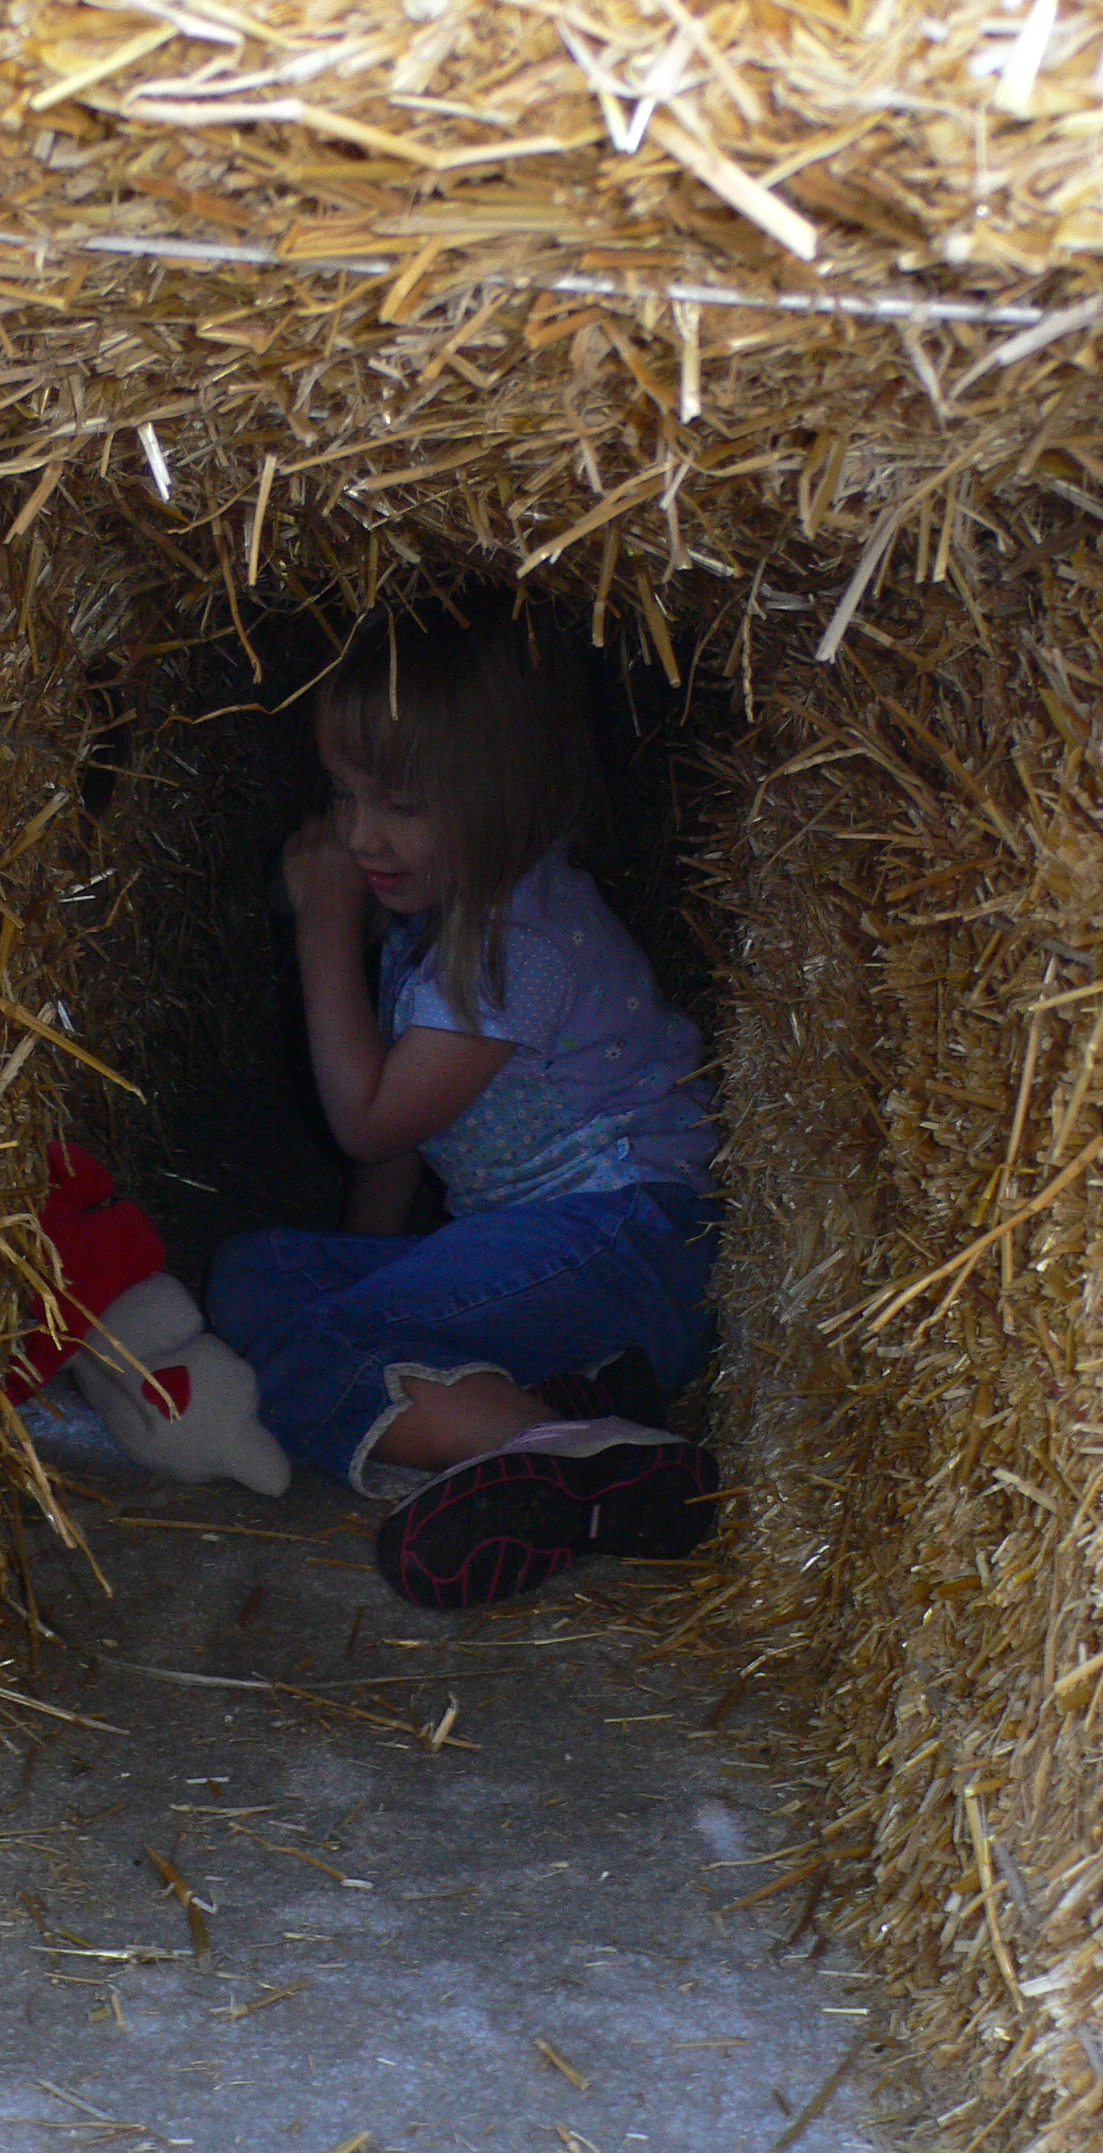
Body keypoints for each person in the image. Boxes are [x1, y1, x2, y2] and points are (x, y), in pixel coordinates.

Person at [207, 597, 719, 1609]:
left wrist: (323, 928)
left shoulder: (514, 944)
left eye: (400, 803)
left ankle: (574, 1453)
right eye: (343, 796)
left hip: (630, 1244)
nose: (359, 835)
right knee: (256, 1272)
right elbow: (396, 1151)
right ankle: (566, 1402)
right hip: (555, 1259)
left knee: (306, 1356)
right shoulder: (444, 919)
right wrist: (365, 1280)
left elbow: (370, 1121)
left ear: (506, 794)